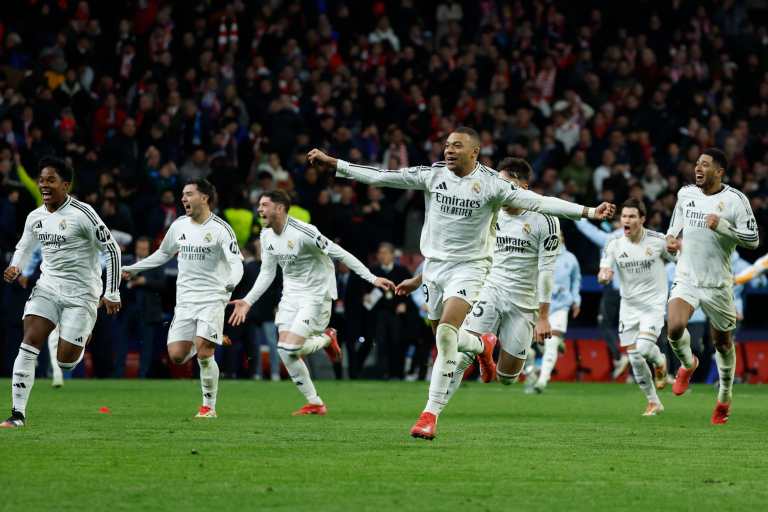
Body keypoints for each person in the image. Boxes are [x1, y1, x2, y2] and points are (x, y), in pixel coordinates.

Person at [308, 127, 615, 440]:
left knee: (477, 356)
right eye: (446, 145)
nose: (449, 150)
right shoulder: (433, 175)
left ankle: (430, 413)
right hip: (437, 270)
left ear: (474, 152)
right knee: (447, 342)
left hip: (474, 272)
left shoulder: (494, 186)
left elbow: (544, 202)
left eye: (457, 146)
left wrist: (589, 211)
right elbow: (380, 176)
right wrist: (335, 164)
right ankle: (479, 350)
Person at [228, 190, 396, 416]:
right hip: (291, 295)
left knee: (290, 348)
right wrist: (247, 301)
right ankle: (315, 402)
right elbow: (267, 273)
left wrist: (372, 278)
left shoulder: (304, 232)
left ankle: (326, 337)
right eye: (259, 205)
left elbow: (340, 253)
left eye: (265, 205)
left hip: (316, 294)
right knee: (285, 352)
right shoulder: (266, 235)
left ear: (280, 208)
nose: (259, 209)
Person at [1, 156, 122, 428]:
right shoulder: (36, 217)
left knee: (65, 362)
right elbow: (24, 246)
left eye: (51, 180)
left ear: (65, 185)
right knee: (29, 342)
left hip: (82, 294)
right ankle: (17, 414)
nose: (44, 185)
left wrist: (112, 291)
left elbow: (112, 249)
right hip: (48, 287)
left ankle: (82, 334)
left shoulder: (83, 214)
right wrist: (16, 266)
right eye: (41, 180)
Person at [122, 178, 243, 419]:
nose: (183, 198)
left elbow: (236, 262)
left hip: (212, 297)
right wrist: (135, 268)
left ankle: (208, 406)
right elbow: (162, 254)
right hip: (185, 300)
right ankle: (207, 338)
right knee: (177, 355)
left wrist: (232, 281)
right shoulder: (179, 225)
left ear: (204, 198)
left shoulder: (221, 228)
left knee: (205, 353)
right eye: (183, 194)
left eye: (189, 194)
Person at [665, 148, 759, 424]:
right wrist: (671, 240)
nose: (698, 168)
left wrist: (723, 227)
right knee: (674, 327)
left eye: (705, 165)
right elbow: (675, 226)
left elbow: (753, 240)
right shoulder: (686, 194)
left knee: (722, 343)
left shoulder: (735, 200)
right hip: (687, 276)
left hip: (717, 284)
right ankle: (688, 364)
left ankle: (724, 397)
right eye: (697, 163)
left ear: (719, 172)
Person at [455, 158, 560, 389]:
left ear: (523, 187)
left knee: (506, 378)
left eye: (507, 185)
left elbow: (546, 270)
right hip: (490, 290)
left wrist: (543, 317)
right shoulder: (489, 210)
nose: (500, 191)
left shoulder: (545, 219)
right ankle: (433, 408)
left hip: (523, 302)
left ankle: (491, 352)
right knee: (461, 355)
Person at [598, 199, 674, 416]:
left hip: (653, 304)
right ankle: (653, 402)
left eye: (632, 216)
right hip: (629, 306)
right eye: (624, 216)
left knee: (643, 348)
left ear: (642, 219)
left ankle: (659, 360)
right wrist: (604, 275)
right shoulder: (614, 244)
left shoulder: (658, 241)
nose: (627, 220)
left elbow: (680, 259)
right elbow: (604, 270)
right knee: (634, 358)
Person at [574, 218, 630, 377]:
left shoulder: (612, 238)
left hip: (614, 290)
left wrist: (577, 215)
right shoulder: (637, 238)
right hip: (632, 291)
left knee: (604, 324)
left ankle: (619, 358)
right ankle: (635, 372)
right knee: (631, 329)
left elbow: (590, 232)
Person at [529, 231, 581, 393]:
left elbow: (576, 280)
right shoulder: (539, 255)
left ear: (562, 238)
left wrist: (576, 300)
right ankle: (554, 345)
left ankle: (542, 380)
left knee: (550, 344)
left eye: (558, 236)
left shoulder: (570, 259)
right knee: (539, 343)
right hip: (539, 306)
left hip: (560, 306)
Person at [116, 236, 165, 378]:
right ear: (136, 248)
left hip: (147, 311)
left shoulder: (155, 264)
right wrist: (126, 280)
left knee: (146, 347)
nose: (142, 251)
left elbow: (163, 284)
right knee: (121, 344)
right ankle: (118, 375)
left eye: (144, 249)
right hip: (127, 309)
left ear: (149, 250)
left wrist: (145, 281)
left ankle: (143, 376)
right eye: (139, 248)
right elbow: (115, 282)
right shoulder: (127, 263)